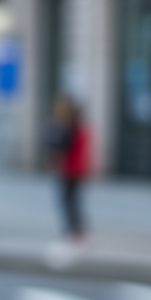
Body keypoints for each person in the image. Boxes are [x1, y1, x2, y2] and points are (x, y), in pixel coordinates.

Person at [47, 96, 91, 241]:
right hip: (76, 168)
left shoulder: (69, 128)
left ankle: (74, 230)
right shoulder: (78, 127)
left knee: (68, 200)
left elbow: (62, 147)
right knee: (72, 200)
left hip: (70, 168)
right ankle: (76, 229)